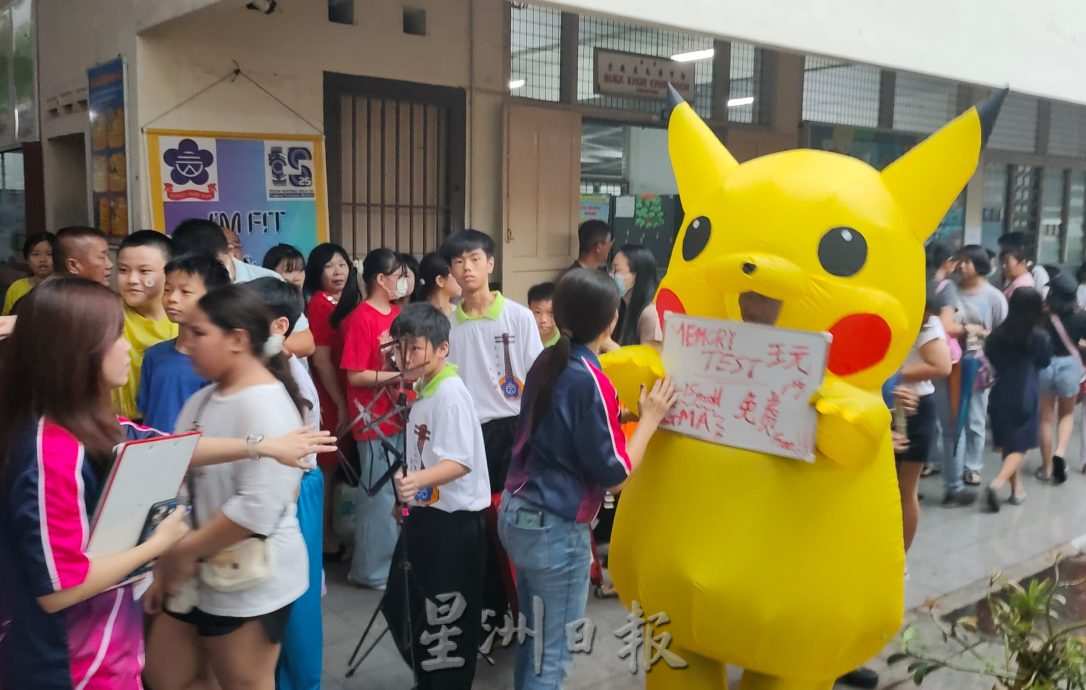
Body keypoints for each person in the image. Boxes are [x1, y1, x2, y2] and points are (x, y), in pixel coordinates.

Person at [0, 278, 192, 690]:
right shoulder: (50, 451)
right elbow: (59, 588)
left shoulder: (89, 424)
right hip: (67, 666)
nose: (127, 348)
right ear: (76, 351)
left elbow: (164, 446)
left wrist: (259, 446)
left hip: (105, 654)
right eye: (117, 336)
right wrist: (158, 544)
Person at [498, 269, 676, 690]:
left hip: (517, 513)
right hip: (554, 527)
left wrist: (622, 416)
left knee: (536, 637)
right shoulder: (588, 376)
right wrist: (649, 420)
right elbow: (615, 475)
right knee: (553, 656)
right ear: (612, 320)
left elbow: (566, 422)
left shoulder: (551, 358)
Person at [143, 284, 310, 690]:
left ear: (237, 339)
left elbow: (255, 510)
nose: (189, 342)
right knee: (165, 676)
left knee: (244, 682)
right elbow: (177, 469)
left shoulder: (267, 404)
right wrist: (170, 559)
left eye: (199, 333)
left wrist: (180, 553)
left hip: (249, 575)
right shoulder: (201, 400)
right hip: (194, 569)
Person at [386, 303, 490, 690]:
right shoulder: (424, 390)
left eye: (415, 348)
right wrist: (408, 501)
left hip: (455, 524)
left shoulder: (450, 393)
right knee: (411, 604)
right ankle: (428, 678)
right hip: (427, 515)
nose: (404, 356)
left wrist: (413, 483)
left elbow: (459, 462)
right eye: (399, 347)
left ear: (442, 348)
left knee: (448, 611)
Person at [442, 229, 543, 619]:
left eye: (474, 259)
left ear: (490, 264)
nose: (466, 268)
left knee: (512, 518)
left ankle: (519, 601)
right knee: (476, 519)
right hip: (468, 433)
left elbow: (535, 377)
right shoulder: (449, 324)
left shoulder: (518, 316)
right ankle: (488, 604)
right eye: (458, 261)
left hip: (511, 429)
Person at [245, 277, 326, 690]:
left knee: (295, 605)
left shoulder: (284, 377)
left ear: (278, 326)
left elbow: (287, 464)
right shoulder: (261, 369)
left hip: (294, 490)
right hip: (281, 491)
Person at [341, 248, 407, 590]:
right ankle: (370, 570)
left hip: (398, 415)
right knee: (378, 495)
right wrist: (398, 376)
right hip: (371, 420)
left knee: (397, 493)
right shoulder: (361, 318)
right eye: (398, 274)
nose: (403, 280)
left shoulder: (398, 314)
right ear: (380, 279)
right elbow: (355, 375)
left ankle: (390, 560)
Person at [170, 218, 314, 358]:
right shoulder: (176, 292)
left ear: (229, 252)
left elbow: (306, 342)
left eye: (210, 266)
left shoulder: (265, 280)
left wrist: (254, 349)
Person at [303, 242, 359, 556]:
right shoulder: (320, 304)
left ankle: (332, 532)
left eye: (342, 264)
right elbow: (322, 361)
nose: (337, 271)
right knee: (323, 470)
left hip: (346, 390)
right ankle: (321, 539)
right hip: (329, 394)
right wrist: (338, 402)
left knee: (337, 469)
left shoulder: (348, 301)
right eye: (328, 266)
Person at [138, 253, 232, 433]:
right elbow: (147, 414)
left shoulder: (218, 361)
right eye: (167, 289)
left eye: (185, 292)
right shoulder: (154, 355)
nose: (172, 298)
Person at [895, 285, 951, 552]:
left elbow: (942, 365)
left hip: (915, 408)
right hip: (882, 406)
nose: (926, 322)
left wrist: (892, 377)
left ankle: (900, 557)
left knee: (906, 489)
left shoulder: (929, 323)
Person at [984, 287, 1051, 511]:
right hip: (1026, 392)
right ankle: (998, 483)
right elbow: (1044, 362)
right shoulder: (1039, 336)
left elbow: (991, 356)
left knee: (1009, 442)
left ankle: (1017, 489)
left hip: (1000, 391)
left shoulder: (997, 335)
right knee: (1020, 445)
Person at [954, 245, 1009, 487]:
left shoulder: (993, 296)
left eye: (968, 261)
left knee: (975, 417)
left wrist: (983, 334)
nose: (962, 265)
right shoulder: (951, 291)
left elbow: (1001, 332)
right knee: (949, 415)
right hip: (951, 361)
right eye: (960, 261)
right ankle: (947, 460)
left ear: (980, 265)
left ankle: (972, 466)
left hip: (978, 364)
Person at [111, 230, 177, 421]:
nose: (132, 280)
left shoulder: (186, 320)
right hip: (118, 426)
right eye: (123, 270)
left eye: (144, 271)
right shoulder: (107, 315)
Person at [1037, 274, 1086, 484]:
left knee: (1046, 417)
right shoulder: (1081, 318)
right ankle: (1060, 452)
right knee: (1066, 415)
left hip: (1044, 366)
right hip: (1070, 366)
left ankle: (1047, 466)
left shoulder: (1041, 317)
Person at [611, 243, 663, 349]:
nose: (612, 275)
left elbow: (647, 360)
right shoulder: (622, 306)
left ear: (636, 275)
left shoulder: (650, 314)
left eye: (616, 270)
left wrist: (608, 345)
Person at [3, 231, 55, 314]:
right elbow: (7, 320)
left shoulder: (65, 289)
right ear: (27, 259)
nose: (42, 259)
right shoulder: (16, 288)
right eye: (35, 254)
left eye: (49, 254)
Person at [998, 232, 1049, 297]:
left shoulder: (1037, 271)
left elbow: (1043, 297)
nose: (1003, 252)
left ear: (1020, 248)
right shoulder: (1006, 272)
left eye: (1005, 249)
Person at [414, 251, 461, 317]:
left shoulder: (458, 311)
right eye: (455, 274)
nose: (461, 278)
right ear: (440, 281)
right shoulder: (419, 316)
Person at [527, 282, 558, 347]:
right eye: (537, 312)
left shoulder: (565, 343)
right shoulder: (524, 339)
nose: (543, 320)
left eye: (550, 312)